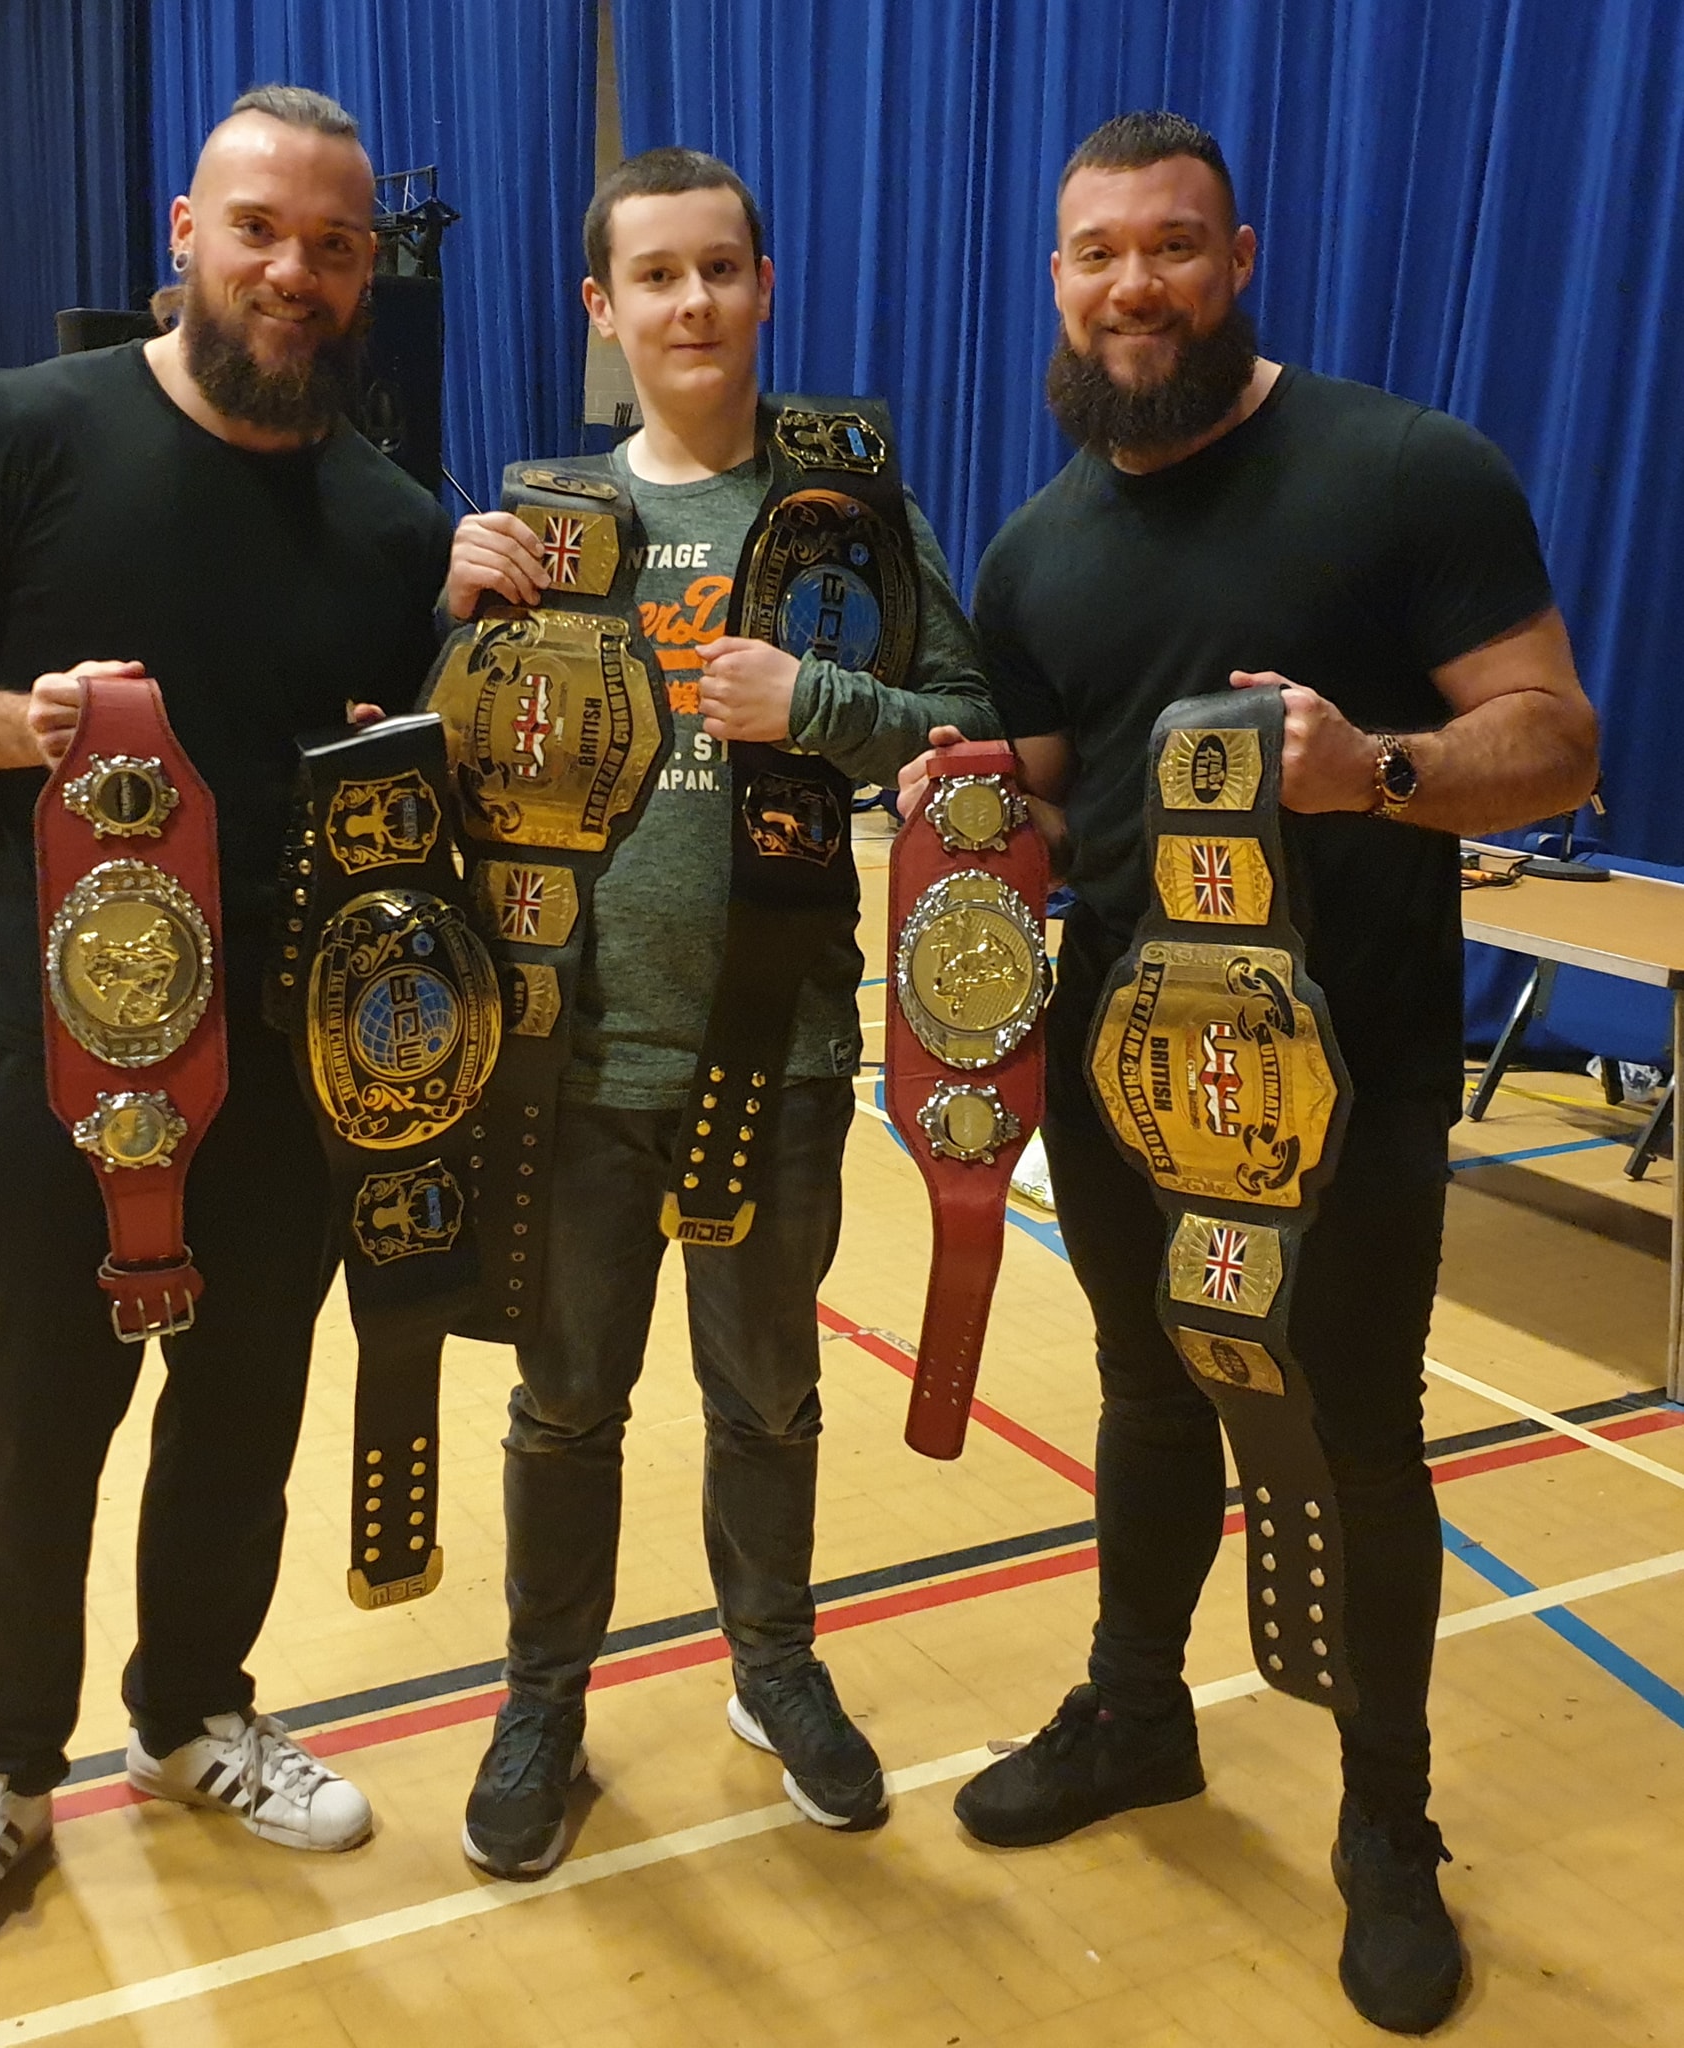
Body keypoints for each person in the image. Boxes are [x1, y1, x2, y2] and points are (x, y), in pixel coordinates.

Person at [907, 112, 1599, 2036]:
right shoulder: (1037, 540)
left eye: (1168, 246)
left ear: (1235, 258)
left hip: (1347, 1080)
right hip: (1125, 1085)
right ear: (1051, 281)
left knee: (1356, 1435)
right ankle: (1138, 1718)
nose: (1130, 284)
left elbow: (1554, 744)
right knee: (1144, 1398)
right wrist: (950, 808)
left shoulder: (1401, 470)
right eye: (1092, 254)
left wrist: (1367, 769)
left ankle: (1387, 1825)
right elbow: (1044, 794)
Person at [0, 85, 452, 1980]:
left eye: (336, 244)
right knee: (28, 1432)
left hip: (289, 1071)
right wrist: (25, 725)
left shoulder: (391, 515)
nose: (296, 270)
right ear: (186, 226)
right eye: (261, 227)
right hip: (54, 1064)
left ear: (365, 270)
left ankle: (191, 1714)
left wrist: (487, 623)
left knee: (240, 1417)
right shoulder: (13, 428)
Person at [442, 147, 1001, 1881]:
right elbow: (448, 771)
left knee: (764, 1397)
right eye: (654, 278)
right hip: (572, 1045)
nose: (690, 305)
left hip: (778, 1042)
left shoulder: (850, 510)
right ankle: (543, 1697)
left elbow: (967, 738)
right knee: (561, 1406)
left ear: (763, 288)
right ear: (599, 309)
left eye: (718, 271)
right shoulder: (541, 529)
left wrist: (818, 696)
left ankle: (772, 1664)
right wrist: (448, 618)